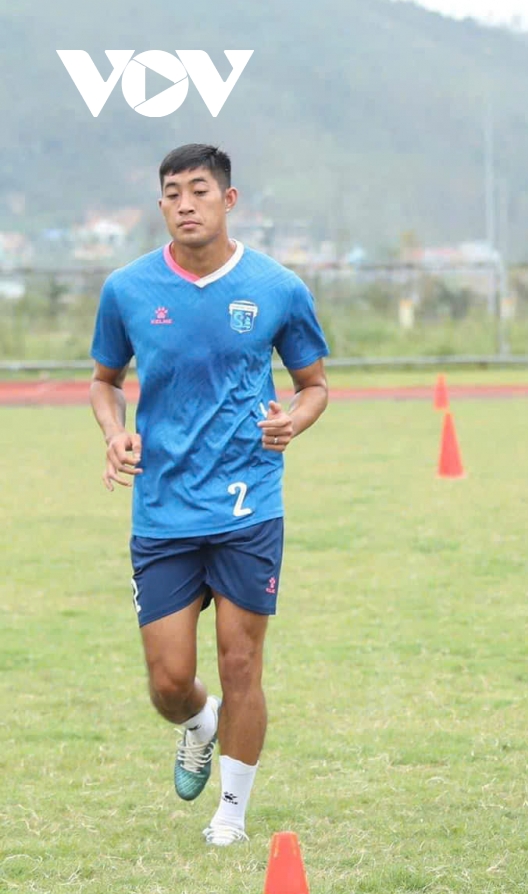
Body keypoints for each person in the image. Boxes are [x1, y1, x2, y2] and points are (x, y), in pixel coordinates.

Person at [89, 143, 330, 846]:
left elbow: (314, 385)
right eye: (173, 192)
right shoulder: (128, 289)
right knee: (169, 682)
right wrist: (115, 431)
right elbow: (105, 380)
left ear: (230, 200)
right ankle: (199, 722)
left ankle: (232, 813)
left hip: (247, 502)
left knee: (242, 659)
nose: (186, 203)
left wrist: (293, 420)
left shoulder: (278, 287)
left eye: (199, 190)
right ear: (161, 205)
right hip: (162, 506)